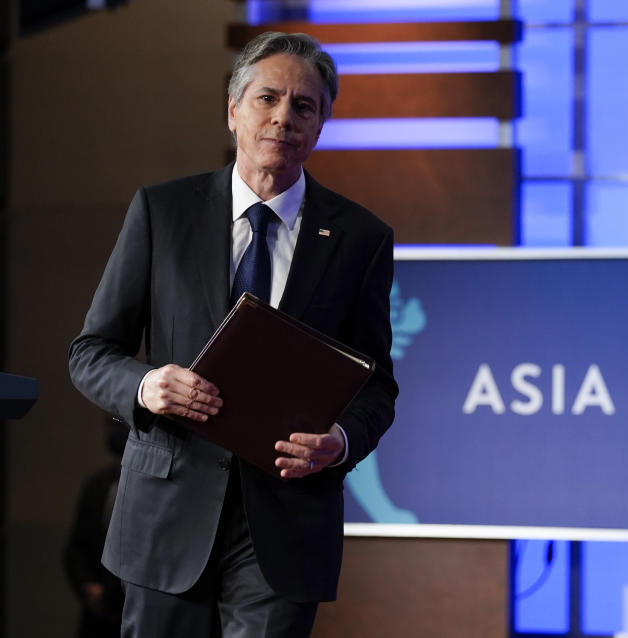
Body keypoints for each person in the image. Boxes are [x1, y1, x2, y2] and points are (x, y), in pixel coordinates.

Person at [68, 31, 398, 638]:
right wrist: (147, 386)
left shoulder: (360, 238)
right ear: (232, 109)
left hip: (286, 519)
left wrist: (341, 441)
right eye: (267, 98)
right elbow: (90, 353)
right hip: (167, 512)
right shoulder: (162, 213)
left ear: (321, 124)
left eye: (304, 106)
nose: (283, 117)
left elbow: (377, 388)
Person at [62, 416, 127, 638]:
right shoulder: (97, 484)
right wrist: (88, 587)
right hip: (97, 617)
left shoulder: (161, 489)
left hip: (138, 610)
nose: (114, 430)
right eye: (111, 424)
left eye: (120, 423)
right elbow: (76, 547)